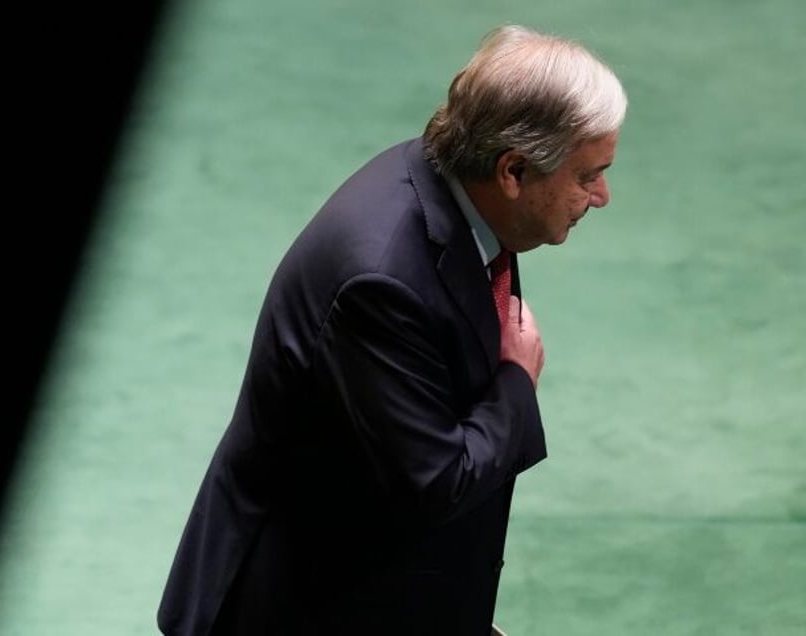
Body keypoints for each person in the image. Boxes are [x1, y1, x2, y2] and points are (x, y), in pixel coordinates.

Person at [158, 23, 627, 636]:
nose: (602, 195)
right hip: (297, 607)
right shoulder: (381, 282)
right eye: (588, 175)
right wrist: (516, 380)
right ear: (513, 170)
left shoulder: (465, 196)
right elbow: (433, 481)